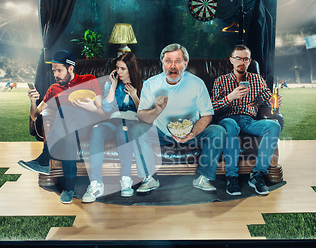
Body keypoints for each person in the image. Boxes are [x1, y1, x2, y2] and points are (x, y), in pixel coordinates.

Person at [129, 43, 225, 193]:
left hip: (191, 133)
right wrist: (157, 110)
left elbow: (207, 115)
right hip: (161, 133)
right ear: (162, 63)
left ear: (185, 64)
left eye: (177, 61)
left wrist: (192, 133)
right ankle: (149, 178)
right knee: (137, 129)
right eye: (168, 61)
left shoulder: (197, 84)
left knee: (218, 131)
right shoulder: (151, 84)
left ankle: (203, 178)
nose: (172, 66)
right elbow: (142, 117)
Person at [18, 50, 104, 204]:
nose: (55, 74)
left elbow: (100, 110)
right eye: (54, 71)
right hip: (68, 129)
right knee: (68, 134)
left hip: (88, 125)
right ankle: (69, 187)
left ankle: (45, 159)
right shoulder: (53, 89)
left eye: (59, 70)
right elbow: (35, 115)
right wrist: (32, 101)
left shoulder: (89, 80)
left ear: (70, 68)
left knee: (64, 111)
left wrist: (91, 107)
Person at [212, 45, 281, 196]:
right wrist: (230, 97)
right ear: (231, 60)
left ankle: (257, 175)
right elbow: (212, 107)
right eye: (238, 58)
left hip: (250, 121)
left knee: (274, 125)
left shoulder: (257, 79)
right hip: (228, 119)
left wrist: (273, 101)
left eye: (245, 59)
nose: (241, 62)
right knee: (230, 126)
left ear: (249, 61)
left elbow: (267, 97)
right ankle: (232, 176)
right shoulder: (221, 81)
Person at [81, 52, 142, 203]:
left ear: (131, 69)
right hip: (114, 119)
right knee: (97, 130)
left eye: (123, 69)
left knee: (123, 131)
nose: (119, 72)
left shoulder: (143, 84)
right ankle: (96, 183)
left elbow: (143, 112)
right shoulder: (111, 84)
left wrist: (134, 95)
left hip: (131, 122)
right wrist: (113, 87)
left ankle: (126, 179)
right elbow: (107, 109)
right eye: (117, 68)